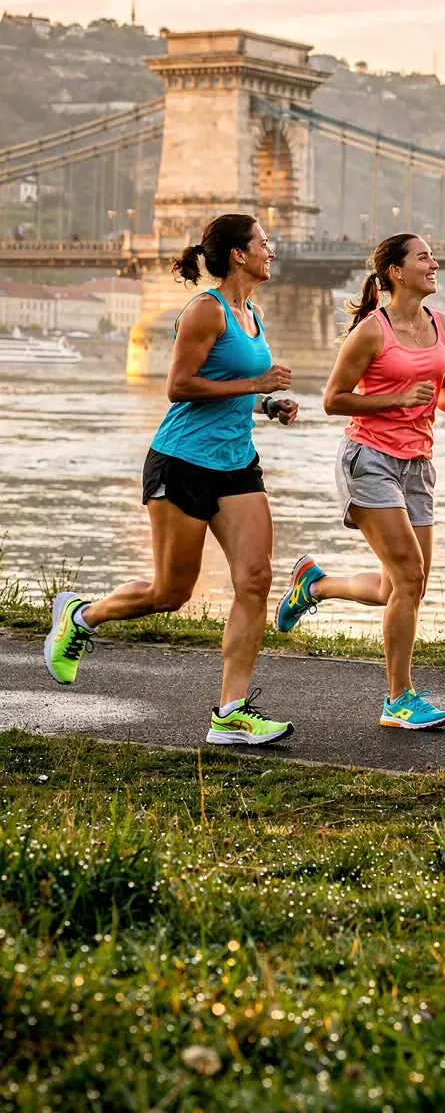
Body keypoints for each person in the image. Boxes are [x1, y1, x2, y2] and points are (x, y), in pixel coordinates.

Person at [44, 213, 299, 746]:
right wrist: (256, 381)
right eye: (264, 243)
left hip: (236, 463)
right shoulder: (206, 310)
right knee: (171, 592)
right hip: (181, 462)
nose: (271, 251)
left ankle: (231, 714)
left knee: (255, 579)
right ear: (238, 254)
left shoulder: (251, 312)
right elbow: (179, 386)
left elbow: (234, 388)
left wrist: (268, 402)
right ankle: (82, 615)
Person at [274, 232, 445, 729]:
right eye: (424, 257)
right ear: (396, 272)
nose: (434, 263)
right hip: (369, 460)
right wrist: (395, 400)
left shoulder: (444, 326)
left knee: (403, 585)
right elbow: (333, 399)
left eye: (432, 256)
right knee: (409, 578)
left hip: (418, 465)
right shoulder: (371, 331)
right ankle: (399, 700)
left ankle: (315, 585)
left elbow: (440, 392)